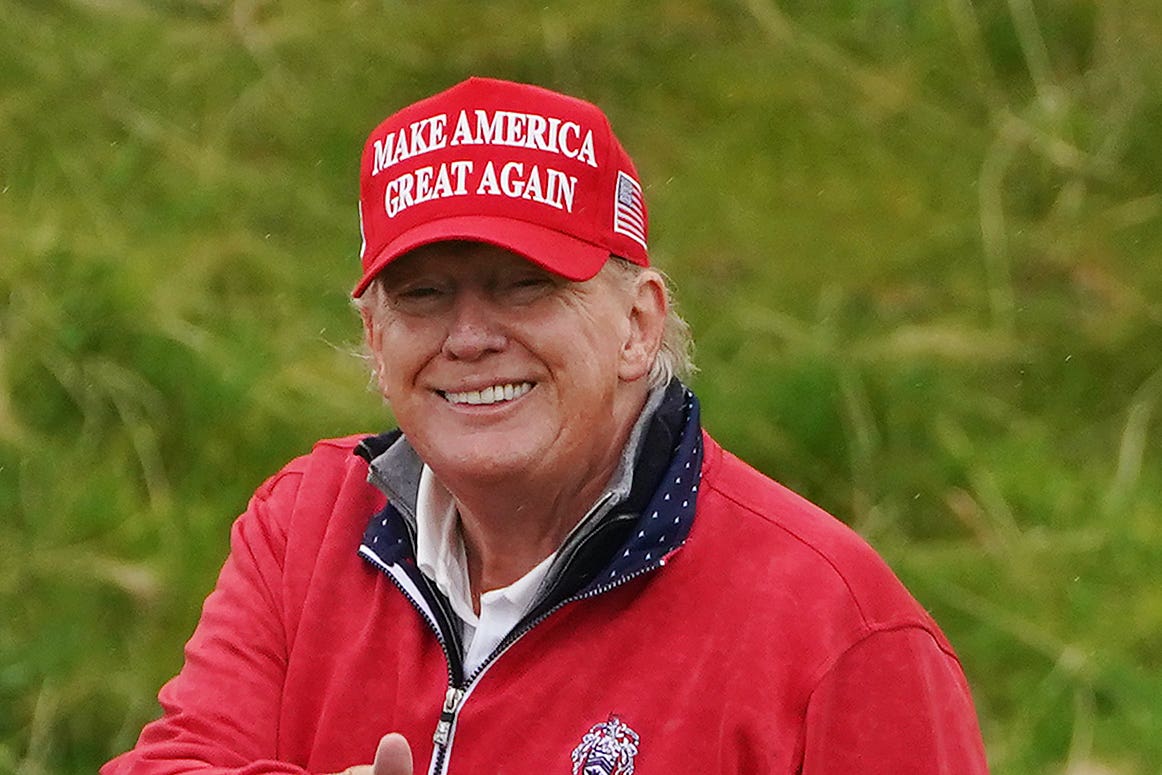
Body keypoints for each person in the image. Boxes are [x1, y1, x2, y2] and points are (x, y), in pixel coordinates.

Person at [103, 77, 990, 775]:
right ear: (375, 339)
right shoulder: (304, 528)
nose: (473, 337)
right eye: (423, 295)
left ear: (639, 324)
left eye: (526, 286)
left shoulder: (836, 627)